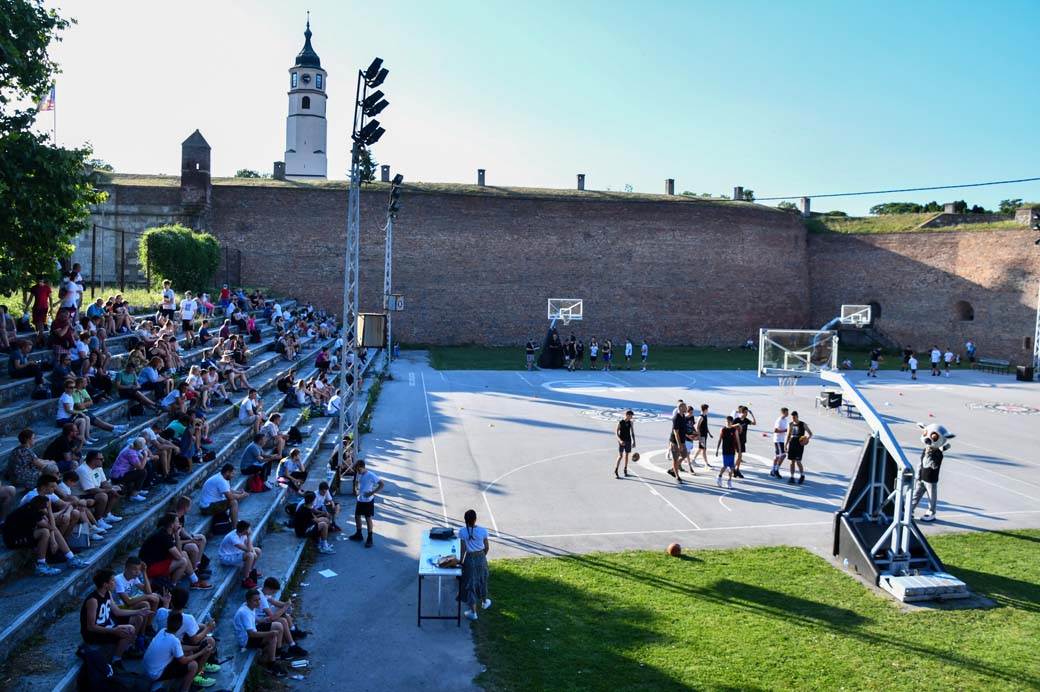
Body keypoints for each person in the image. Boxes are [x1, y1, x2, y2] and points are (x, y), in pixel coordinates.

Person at [81, 568, 151, 667]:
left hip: (109, 623)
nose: (115, 583)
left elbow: (117, 612)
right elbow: (91, 627)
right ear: (105, 584)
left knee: (138, 617)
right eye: (112, 581)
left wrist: (138, 611)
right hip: (95, 633)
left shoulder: (108, 593)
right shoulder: (93, 600)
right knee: (128, 630)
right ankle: (116, 660)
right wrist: (114, 630)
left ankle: (127, 647)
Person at [143, 610, 218, 690]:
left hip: (147, 669)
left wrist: (196, 648)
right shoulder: (174, 640)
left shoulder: (162, 631)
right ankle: (185, 689)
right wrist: (201, 652)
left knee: (188, 652)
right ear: (180, 626)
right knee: (193, 665)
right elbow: (184, 661)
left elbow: (180, 647)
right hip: (155, 674)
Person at [3, 495, 65, 575]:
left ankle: (50, 559)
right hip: (13, 540)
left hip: (20, 535)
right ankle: (41, 565)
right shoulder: (31, 511)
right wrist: (49, 511)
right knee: (44, 532)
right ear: (41, 506)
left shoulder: (32, 507)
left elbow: (49, 523)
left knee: (45, 531)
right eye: (46, 506)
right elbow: (51, 527)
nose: (47, 508)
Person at [234, 590, 286, 677]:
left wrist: (268, 619)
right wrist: (270, 633)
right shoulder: (244, 613)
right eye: (255, 600)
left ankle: (277, 652)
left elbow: (257, 620)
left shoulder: (249, 606)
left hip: (253, 631)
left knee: (278, 625)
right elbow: (251, 634)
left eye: (259, 599)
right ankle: (271, 664)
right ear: (248, 601)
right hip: (246, 640)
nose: (258, 602)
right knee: (272, 637)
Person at [459, 508, 491, 622]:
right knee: (482, 579)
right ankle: (484, 601)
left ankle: (473, 612)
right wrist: (482, 556)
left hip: (469, 558)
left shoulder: (462, 531)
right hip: (481, 557)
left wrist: (461, 561)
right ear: (475, 519)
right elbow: (487, 547)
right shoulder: (483, 531)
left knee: (470, 584)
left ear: (465, 520)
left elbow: (463, 549)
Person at [349, 459, 383, 547]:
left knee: (368, 518)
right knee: (357, 516)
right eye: (357, 470)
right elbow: (356, 482)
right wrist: (355, 489)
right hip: (360, 499)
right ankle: (359, 534)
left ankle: (370, 538)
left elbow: (381, 484)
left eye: (358, 470)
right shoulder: (358, 473)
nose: (358, 472)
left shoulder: (371, 475)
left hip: (368, 500)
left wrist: (371, 493)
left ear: (362, 467)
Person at [219, 520, 262, 589]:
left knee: (258, 550)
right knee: (250, 555)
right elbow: (248, 550)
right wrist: (249, 536)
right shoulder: (233, 537)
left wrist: (254, 552)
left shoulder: (242, 534)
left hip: (236, 553)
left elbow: (250, 547)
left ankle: (250, 571)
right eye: (249, 528)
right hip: (226, 557)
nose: (250, 529)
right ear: (245, 530)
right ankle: (246, 579)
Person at [784, 411, 812, 485]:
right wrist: (786, 445)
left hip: (799, 445)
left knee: (798, 461)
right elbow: (789, 435)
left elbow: (810, 433)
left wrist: (806, 440)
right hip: (792, 444)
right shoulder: (790, 424)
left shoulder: (802, 424)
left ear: (797, 416)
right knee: (791, 461)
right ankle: (792, 477)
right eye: (792, 417)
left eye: (794, 417)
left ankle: (802, 475)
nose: (793, 418)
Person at [665, 403, 688, 483]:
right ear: (681, 408)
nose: (686, 408)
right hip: (675, 442)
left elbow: (683, 430)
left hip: (682, 441)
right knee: (675, 459)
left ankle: (672, 469)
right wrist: (679, 444)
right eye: (685, 407)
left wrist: (690, 436)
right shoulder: (676, 418)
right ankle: (677, 476)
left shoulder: (683, 416)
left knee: (685, 455)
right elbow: (676, 432)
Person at [715, 416, 740, 489]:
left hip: (732, 450)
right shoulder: (723, 429)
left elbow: (738, 441)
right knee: (725, 466)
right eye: (726, 421)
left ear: (732, 422)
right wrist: (717, 450)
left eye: (729, 422)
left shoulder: (734, 430)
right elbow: (720, 440)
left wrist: (739, 450)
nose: (727, 423)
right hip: (725, 450)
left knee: (732, 467)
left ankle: (729, 481)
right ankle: (719, 477)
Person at [733, 405, 756, 479]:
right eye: (746, 412)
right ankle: (734, 469)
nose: (747, 414)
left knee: (740, 456)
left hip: (743, 440)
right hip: (736, 440)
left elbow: (754, 423)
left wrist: (752, 414)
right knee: (738, 455)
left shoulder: (746, 420)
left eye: (747, 413)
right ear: (743, 412)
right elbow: (731, 426)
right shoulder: (737, 419)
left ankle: (736, 469)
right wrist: (737, 425)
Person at [614, 410, 635, 479]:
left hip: (628, 440)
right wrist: (620, 440)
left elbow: (632, 432)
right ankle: (616, 470)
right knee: (620, 456)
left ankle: (625, 470)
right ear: (627, 415)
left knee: (626, 455)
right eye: (631, 416)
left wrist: (634, 441)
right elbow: (616, 432)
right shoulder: (620, 422)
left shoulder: (631, 423)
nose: (631, 417)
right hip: (622, 441)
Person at [769, 407, 790, 479]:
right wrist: (785, 430)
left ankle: (773, 470)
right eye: (787, 412)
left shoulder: (785, 420)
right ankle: (775, 470)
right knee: (782, 455)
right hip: (777, 440)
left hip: (782, 440)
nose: (788, 413)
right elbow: (775, 430)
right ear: (783, 412)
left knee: (779, 455)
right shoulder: (779, 420)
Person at [693, 404, 712, 469]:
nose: (708, 411)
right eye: (707, 409)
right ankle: (706, 463)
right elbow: (697, 427)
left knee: (700, 448)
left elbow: (706, 426)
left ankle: (693, 460)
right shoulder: (701, 417)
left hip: (705, 435)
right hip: (702, 436)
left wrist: (709, 433)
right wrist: (699, 436)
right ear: (705, 409)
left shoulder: (705, 416)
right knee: (703, 449)